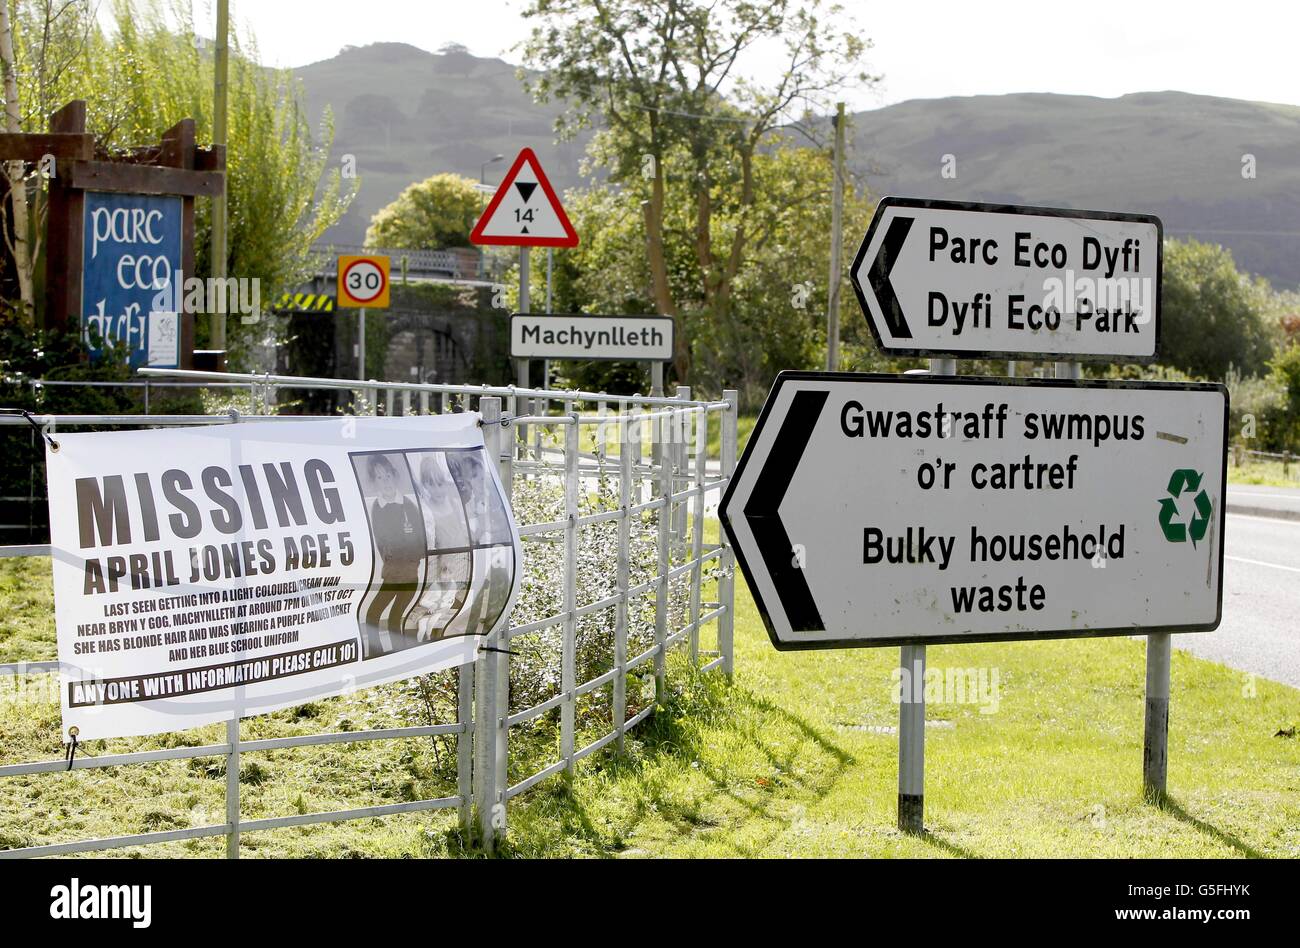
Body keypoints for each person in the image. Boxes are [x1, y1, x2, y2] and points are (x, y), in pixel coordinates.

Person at [363, 455, 425, 638]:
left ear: (394, 476)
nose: (385, 482)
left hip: (408, 575)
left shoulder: (408, 505)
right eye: (380, 478)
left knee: (392, 618)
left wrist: (407, 543)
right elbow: (380, 541)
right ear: (375, 482)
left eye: (388, 476)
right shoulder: (377, 507)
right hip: (391, 574)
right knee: (373, 616)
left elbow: (420, 544)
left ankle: (396, 655)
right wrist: (391, 558)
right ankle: (379, 656)